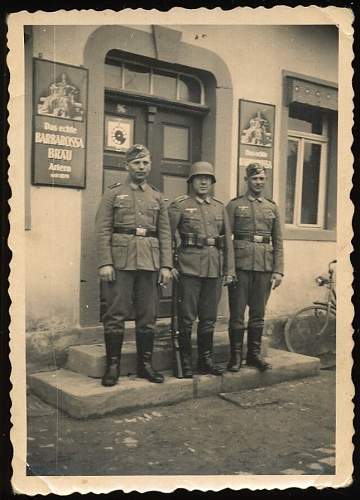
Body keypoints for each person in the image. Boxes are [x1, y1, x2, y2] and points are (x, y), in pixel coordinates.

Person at [95, 144, 172, 387]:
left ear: (150, 165)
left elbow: (165, 234)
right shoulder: (113, 194)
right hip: (121, 262)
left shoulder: (157, 196)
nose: (141, 167)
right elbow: (102, 229)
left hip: (149, 262)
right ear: (127, 165)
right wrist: (105, 262)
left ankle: (145, 365)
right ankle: (113, 365)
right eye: (137, 163)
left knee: (147, 315)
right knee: (115, 314)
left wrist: (166, 266)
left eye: (145, 163)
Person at [168, 161, 235, 378]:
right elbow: (167, 236)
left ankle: (205, 360)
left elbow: (227, 242)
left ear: (212, 182)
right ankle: (185, 362)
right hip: (188, 268)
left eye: (208, 179)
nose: (204, 182)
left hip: (213, 269)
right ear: (191, 181)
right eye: (199, 178)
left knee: (208, 317)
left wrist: (229, 270)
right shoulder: (180, 205)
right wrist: (169, 265)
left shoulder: (219, 208)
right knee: (186, 317)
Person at [226, 163, 284, 372]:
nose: (258, 182)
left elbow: (278, 241)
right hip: (241, 267)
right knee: (237, 314)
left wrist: (278, 270)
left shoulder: (271, 207)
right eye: (254, 179)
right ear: (246, 180)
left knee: (258, 314)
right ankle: (235, 358)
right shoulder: (234, 206)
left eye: (261, 179)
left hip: (264, 267)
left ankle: (253, 355)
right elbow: (226, 241)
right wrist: (229, 270)